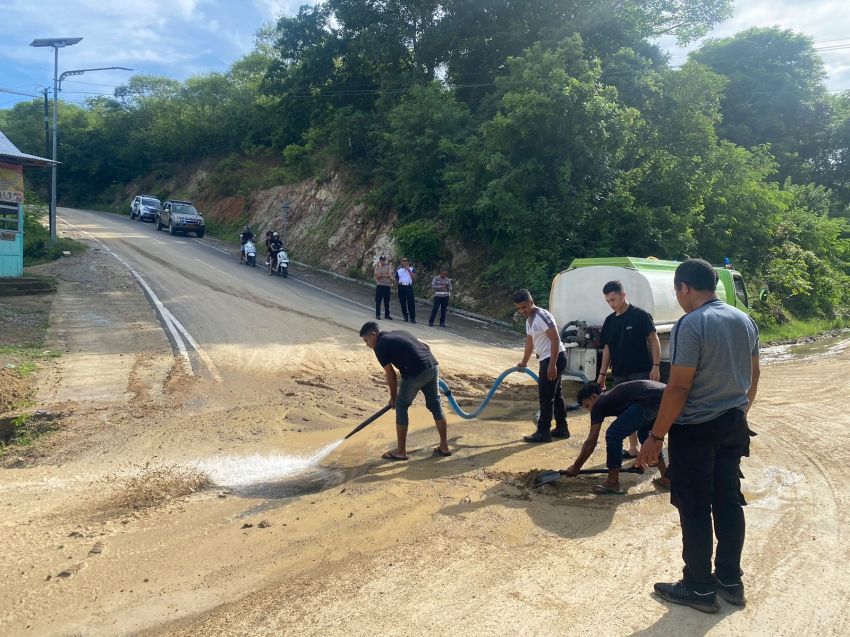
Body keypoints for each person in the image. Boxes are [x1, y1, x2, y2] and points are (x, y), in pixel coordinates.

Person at [636, 258, 760, 614]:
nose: (679, 298)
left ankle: (699, 587)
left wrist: (656, 436)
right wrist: (739, 413)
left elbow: (678, 387)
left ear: (685, 288)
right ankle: (730, 581)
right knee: (728, 501)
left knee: (694, 507)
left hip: (695, 431)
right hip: (733, 424)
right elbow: (754, 376)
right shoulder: (744, 320)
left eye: (678, 292)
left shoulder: (691, 324)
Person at [359, 321, 450, 460]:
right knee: (436, 405)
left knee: (401, 406)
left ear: (373, 335)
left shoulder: (380, 346)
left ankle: (401, 451)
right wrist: (421, 366)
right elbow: (427, 346)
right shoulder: (399, 332)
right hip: (432, 365)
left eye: (366, 341)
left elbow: (391, 375)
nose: (367, 345)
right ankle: (444, 446)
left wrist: (394, 398)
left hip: (416, 373)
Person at [565, 381, 669, 494]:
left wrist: (576, 466)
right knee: (646, 435)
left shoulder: (600, 403)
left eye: (588, 406)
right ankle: (666, 478)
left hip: (649, 397)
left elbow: (591, 441)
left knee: (613, 434)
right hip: (664, 394)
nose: (590, 410)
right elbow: (630, 423)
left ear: (594, 397)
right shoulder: (615, 397)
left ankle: (612, 482)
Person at [596, 280, 662, 459]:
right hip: (619, 374)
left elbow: (653, 340)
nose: (612, 304)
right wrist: (602, 374)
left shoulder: (640, 315)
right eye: (608, 301)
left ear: (623, 295)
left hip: (641, 373)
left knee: (644, 414)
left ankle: (652, 452)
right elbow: (608, 348)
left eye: (614, 299)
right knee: (625, 412)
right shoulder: (610, 321)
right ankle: (633, 448)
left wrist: (656, 366)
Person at [513, 289, 570, 443]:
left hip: (554, 358)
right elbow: (530, 343)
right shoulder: (529, 320)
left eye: (525, 307)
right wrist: (524, 362)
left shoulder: (542, 316)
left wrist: (552, 365)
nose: (522, 310)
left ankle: (543, 432)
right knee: (556, 394)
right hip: (547, 359)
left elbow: (556, 340)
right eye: (519, 308)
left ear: (531, 302)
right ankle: (562, 428)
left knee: (546, 396)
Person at [395, 257, 417, 323]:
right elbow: (396, 280)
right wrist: (396, 288)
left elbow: (414, 278)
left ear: (408, 262)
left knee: (411, 302)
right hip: (401, 286)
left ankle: (412, 318)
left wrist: (408, 270)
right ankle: (405, 316)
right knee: (402, 302)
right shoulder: (399, 270)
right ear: (401, 262)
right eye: (403, 261)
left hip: (409, 287)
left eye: (406, 261)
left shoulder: (412, 269)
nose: (405, 262)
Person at [373, 255, 395, 320]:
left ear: (385, 260)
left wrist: (383, 275)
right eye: (381, 260)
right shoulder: (377, 267)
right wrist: (385, 274)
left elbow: (390, 275)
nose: (382, 261)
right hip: (380, 285)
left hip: (387, 286)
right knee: (378, 301)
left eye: (383, 260)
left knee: (387, 301)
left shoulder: (388, 266)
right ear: (380, 260)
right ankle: (378, 315)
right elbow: (378, 276)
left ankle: (387, 315)